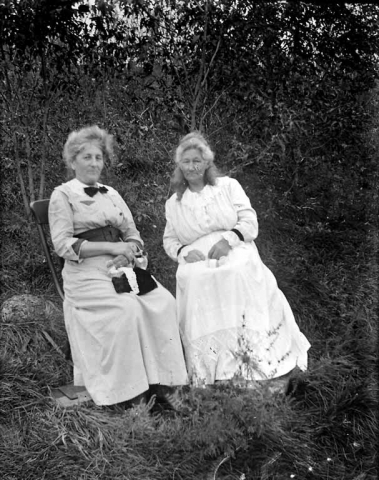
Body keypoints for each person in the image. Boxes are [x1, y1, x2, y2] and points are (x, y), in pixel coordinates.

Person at [49, 125, 188, 407]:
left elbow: (133, 234)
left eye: (98, 157)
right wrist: (112, 248)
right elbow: (63, 245)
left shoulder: (111, 193)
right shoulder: (63, 195)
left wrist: (130, 253)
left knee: (163, 302)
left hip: (122, 267)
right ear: (73, 161)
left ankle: (166, 385)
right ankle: (131, 395)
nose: (94, 163)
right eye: (86, 157)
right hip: (84, 273)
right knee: (127, 310)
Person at [163, 131, 311, 387]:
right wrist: (184, 253)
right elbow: (170, 241)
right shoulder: (174, 203)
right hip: (197, 259)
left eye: (197, 160)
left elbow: (249, 222)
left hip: (235, 247)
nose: (192, 166)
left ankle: (250, 363)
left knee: (236, 272)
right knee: (195, 278)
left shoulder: (228, 186)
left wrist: (228, 240)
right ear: (179, 165)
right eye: (186, 161)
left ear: (207, 162)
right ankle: (212, 369)